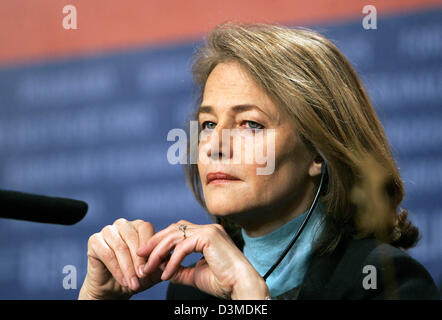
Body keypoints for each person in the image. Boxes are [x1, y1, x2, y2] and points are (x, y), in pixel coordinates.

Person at [78, 22, 439, 300]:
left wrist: (249, 293)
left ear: (318, 151)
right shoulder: (192, 289)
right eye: (207, 124)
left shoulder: (384, 282)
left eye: (250, 124)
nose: (214, 146)